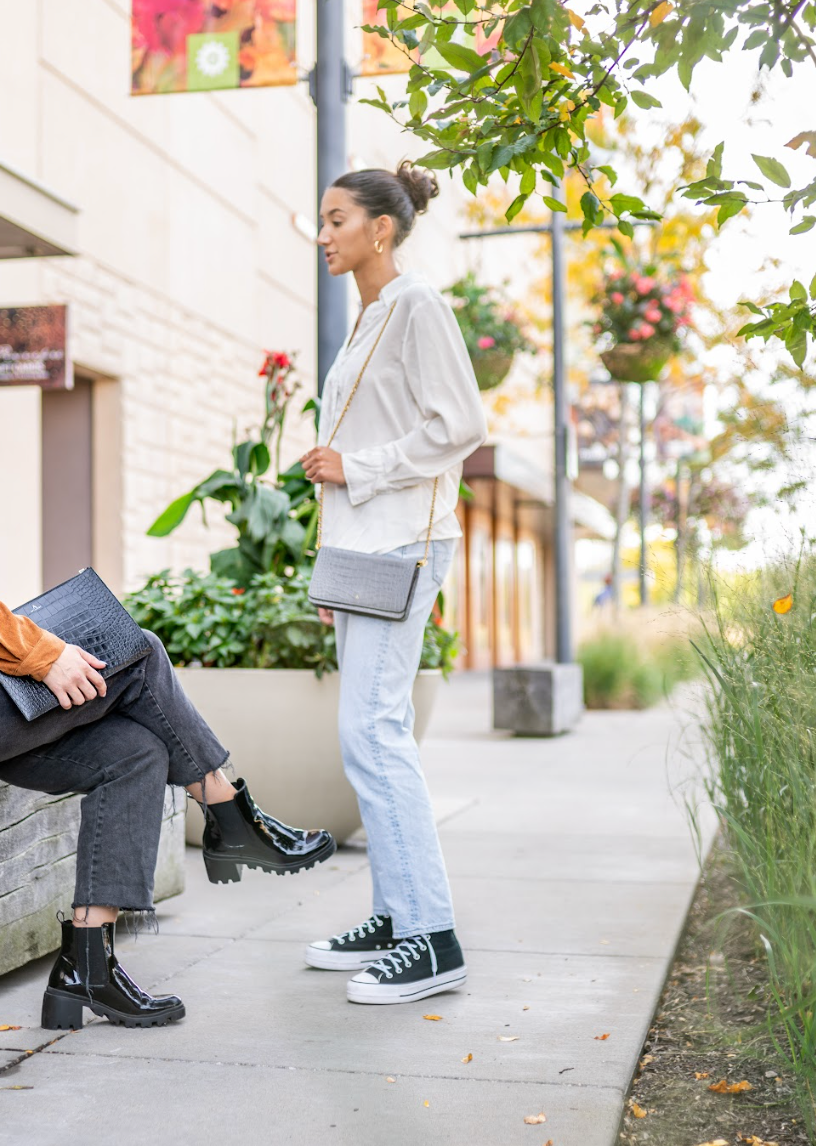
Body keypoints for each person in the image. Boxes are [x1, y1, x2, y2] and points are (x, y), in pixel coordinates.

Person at [0, 311, 334, 1031]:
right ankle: (228, 806)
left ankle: (87, 962)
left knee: (133, 753)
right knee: (133, 647)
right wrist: (44, 655)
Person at [298, 161, 489, 1005]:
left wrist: (359, 465)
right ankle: (394, 910)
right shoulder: (371, 316)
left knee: (374, 733)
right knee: (365, 735)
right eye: (322, 219)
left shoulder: (416, 305)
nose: (324, 233)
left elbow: (464, 426)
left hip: (403, 541)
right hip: (365, 545)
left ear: (382, 227)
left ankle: (431, 937)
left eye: (337, 218)